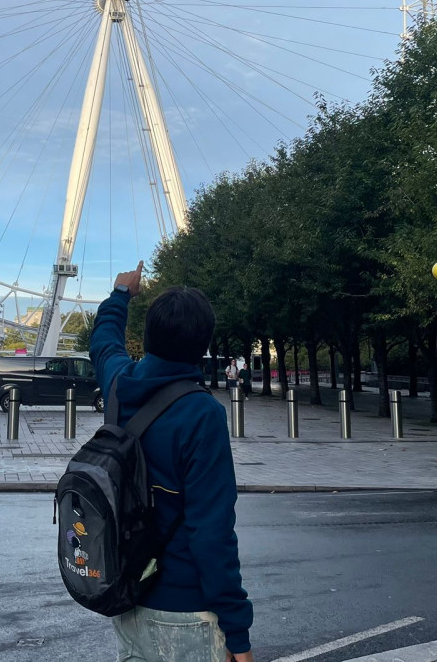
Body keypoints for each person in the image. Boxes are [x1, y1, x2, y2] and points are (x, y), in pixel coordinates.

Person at [91, 263, 254, 662]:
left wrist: (119, 294)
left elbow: (104, 343)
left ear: (147, 336)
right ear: (202, 345)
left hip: (127, 599)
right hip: (185, 613)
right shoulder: (202, 415)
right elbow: (211, 534)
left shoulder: (118, 385)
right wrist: (237, 632)